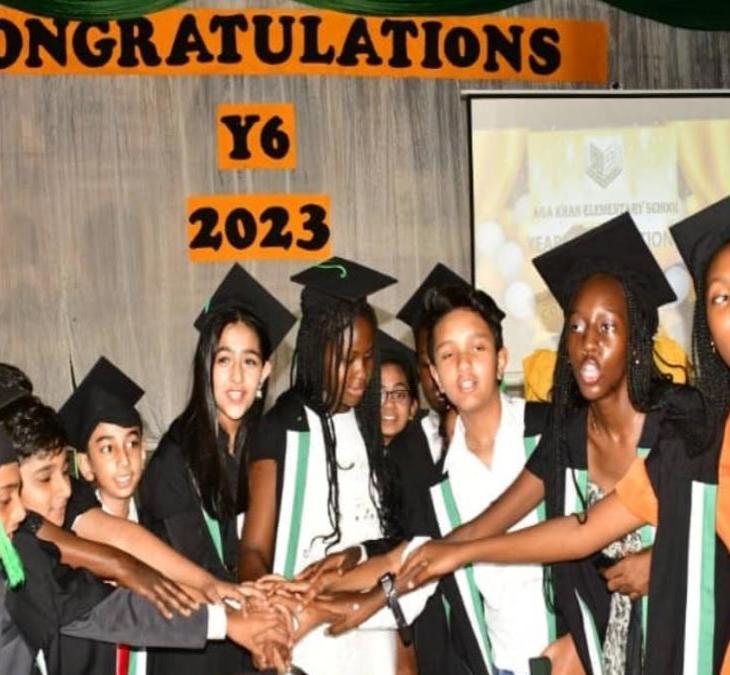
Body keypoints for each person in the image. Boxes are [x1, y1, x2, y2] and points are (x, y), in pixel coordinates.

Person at [399, 213, 680, 674]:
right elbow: (520, 526)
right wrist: (370, 589)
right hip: (608, 651)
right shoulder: (569, 435)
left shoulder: (680, 422)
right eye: (576, 326)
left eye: (607, 326)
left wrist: (667, 561)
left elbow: (712, 525)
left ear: (636, 337)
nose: (588, 343)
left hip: (684, 638)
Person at [0, 384, 292, 675]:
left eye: (65, 471)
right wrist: (225, 619)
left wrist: (214, 590)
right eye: (5, 496)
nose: (64, 489)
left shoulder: (55, 525)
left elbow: (120, 539)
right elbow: (99, 605)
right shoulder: (26, 550)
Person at [240, 256, 401, 675]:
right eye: (347, 359)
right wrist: (267, 608)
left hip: (371, 624)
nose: (361, 373)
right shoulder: (283, 427)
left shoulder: (372, 427)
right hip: (305, 637)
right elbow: (254, 549)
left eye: (368, 357)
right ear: (315, 351)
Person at [137, 263, 296, 675]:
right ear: (205, 365)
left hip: (247, 640)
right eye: (224, 360)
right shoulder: (174, 459)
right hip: (191, 645)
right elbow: (190, 575)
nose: (237, 377)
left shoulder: (265, 449)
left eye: (250, 361)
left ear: (265, 372)